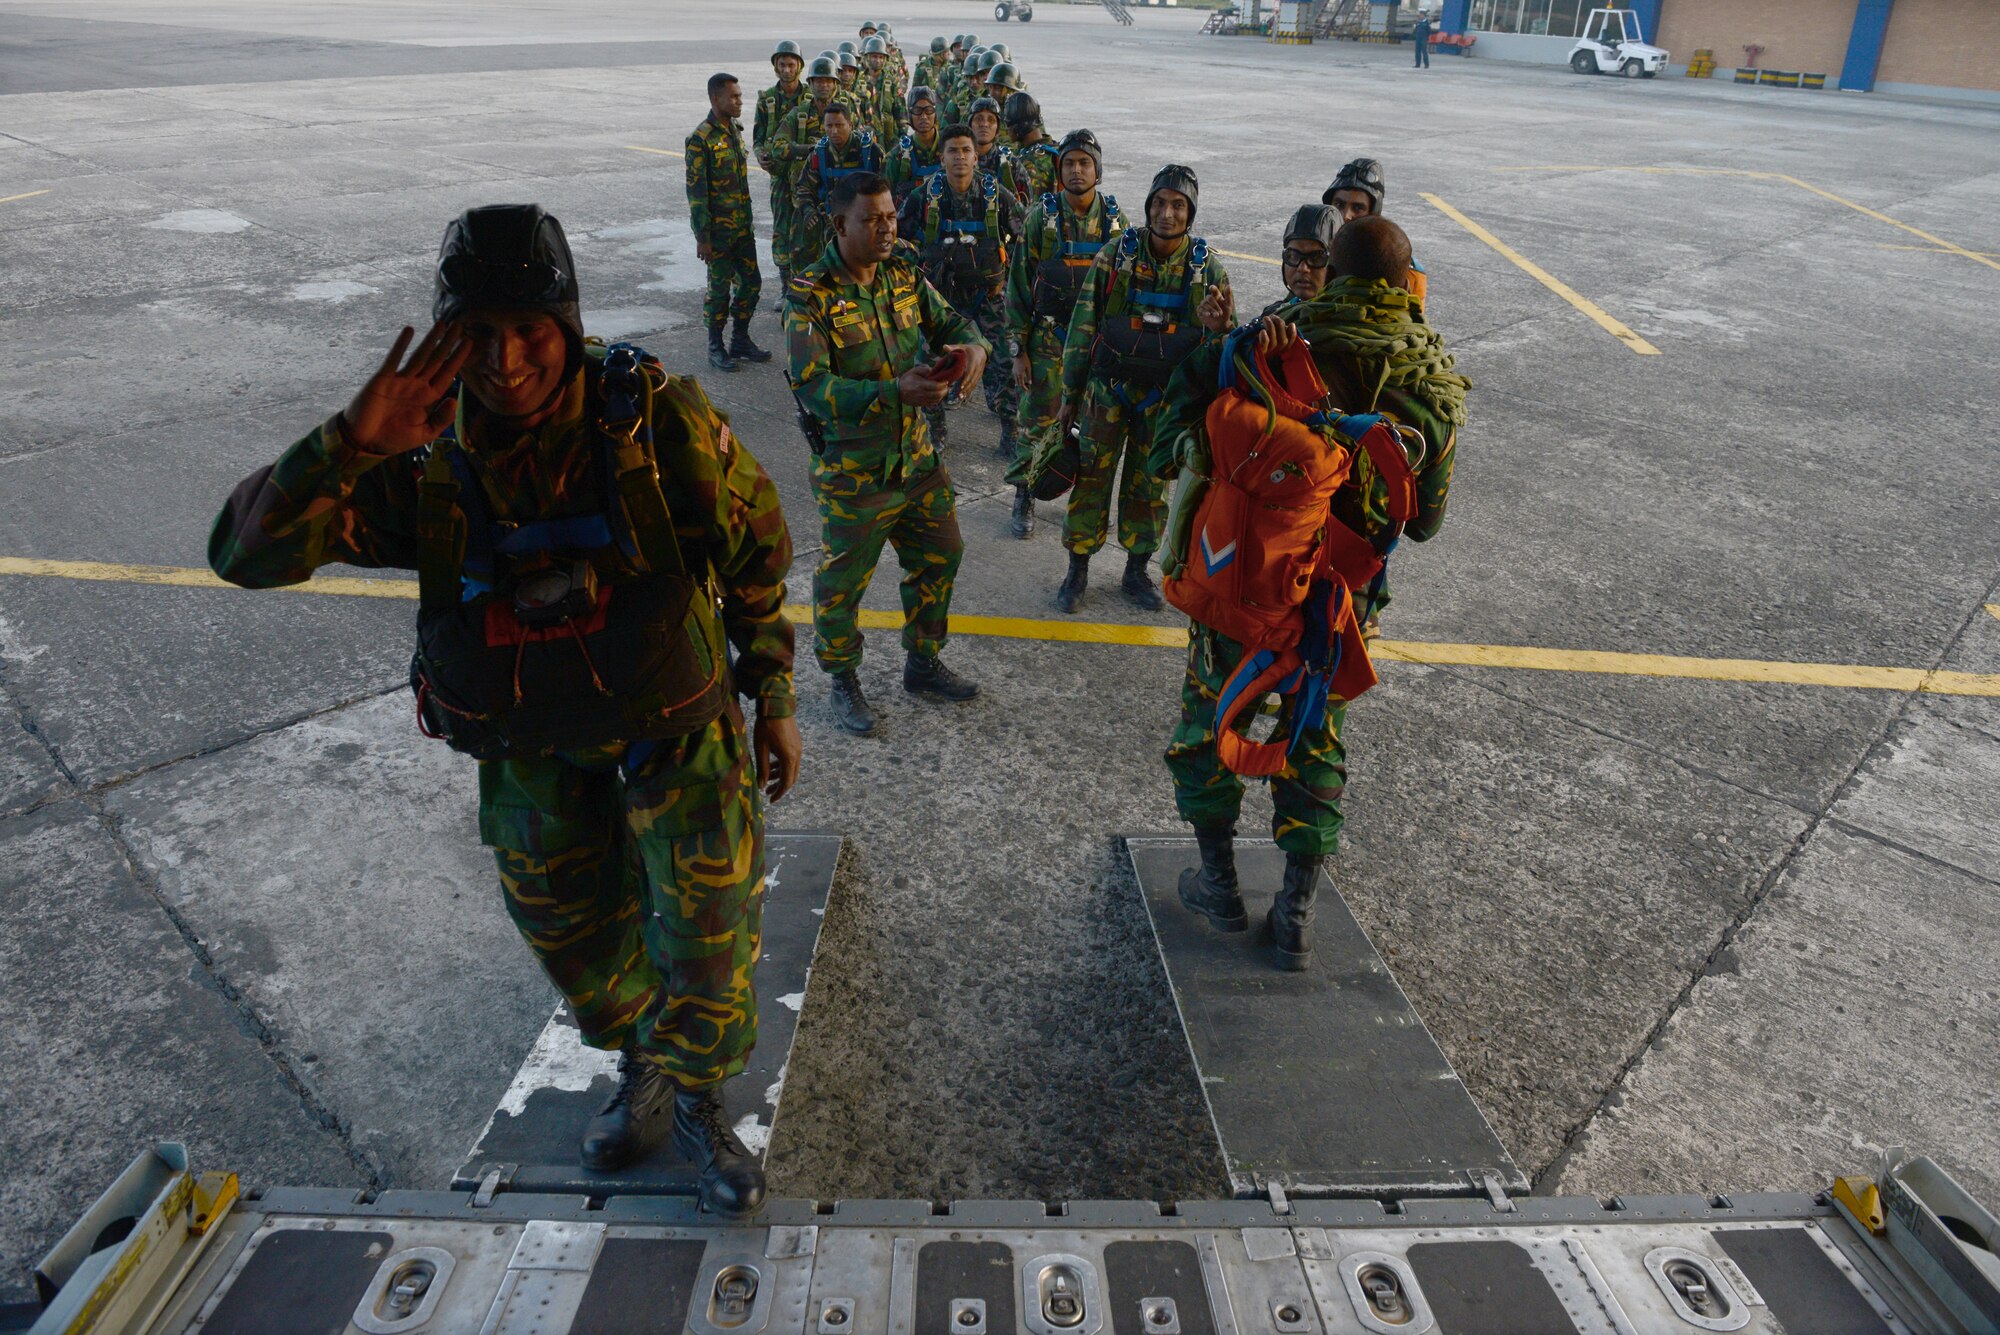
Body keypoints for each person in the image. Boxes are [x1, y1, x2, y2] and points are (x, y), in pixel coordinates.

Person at [209, 204, 800, 1214]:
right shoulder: (425, 454)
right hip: (533, 733)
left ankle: (700, 1098)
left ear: (566, 325)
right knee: (575, 943)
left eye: (530, 330)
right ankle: (642, 1059)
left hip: (673, 720)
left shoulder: (657, 423)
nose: (508, 361)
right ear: (447, 337)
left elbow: (756, 548)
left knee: (705, 933)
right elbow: (246, 556)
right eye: (478, 334)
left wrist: (772, 689)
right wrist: (350, 441)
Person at [1157, 213, 1467, 972]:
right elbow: (1423, 524)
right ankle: (1295, 911)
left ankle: (1220, 884)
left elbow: (1188, 418)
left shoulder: (1281, 335)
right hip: (1339, 600)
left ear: (1337, 270)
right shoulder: (1431, 372)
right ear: (1402, 283)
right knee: (1313, 732)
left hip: (1255, 581)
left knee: (1209, 715)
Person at [786, 171, 992, 737]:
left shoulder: (901, 271)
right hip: (856, 474)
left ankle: (922, 663)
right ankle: (842, 678)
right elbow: (813, 389)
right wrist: (890, 391)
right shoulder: (811, 297)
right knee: (841, 585)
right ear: (839, 224)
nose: (885, 228)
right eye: (872, 219)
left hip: (918, 462)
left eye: (891, 217)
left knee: (941, 555)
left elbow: (952, 320)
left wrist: (973, 346)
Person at [1054, 164, 1232, 613]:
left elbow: (1219, 349)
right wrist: (1069, 396)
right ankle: (1077, 570)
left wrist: (1220, 329)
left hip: (1163, 405)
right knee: (1091, 481)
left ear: (1190, 213)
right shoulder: (1117, 255)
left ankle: (1136, 570)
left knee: (1151, 488)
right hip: (1106, 394)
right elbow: (1084, 325)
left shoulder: (1207, 269)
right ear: (1148, 205)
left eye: (1177, 205)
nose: (1166, 213)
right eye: (1159, 202)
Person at [1004, 128, 1124, 539]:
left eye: (1084, 162)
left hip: (1094, 347)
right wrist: (1018, 349)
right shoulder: (1043, 217)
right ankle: (1024, 494)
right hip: (1048, 341)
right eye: (1069, 163)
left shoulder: (1115, 222)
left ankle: (1083, 505)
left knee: (1092, 430)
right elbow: (1019, 283)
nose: (1076, 170)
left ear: (1097, 170)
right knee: (1037, 421)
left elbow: (1124, 291)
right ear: (1060, 170)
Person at [898, 122, 1024, 456]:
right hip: (942, 301)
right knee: (932, 365)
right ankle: (935, 431)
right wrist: (918, 267)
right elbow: (897, 238)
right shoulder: (925, 196)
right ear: (942, 158)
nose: (960, 157)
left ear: (976, 157)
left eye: (966, 150)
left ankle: (1011, 431)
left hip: (989, 298)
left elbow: (1025, 236)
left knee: (1004, 367)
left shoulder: (994, 195)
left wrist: (1007, 272)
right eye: (952, 151)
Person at [686, 73, 769, 374]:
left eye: (740, 95)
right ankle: (715, 346)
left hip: (742, 228)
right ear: (715, 99)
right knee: (719, 290)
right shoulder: (701, 139)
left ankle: (740, 339)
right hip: (718, 233)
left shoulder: (733, 130)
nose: (740, 101)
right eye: (733, 97)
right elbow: (696, 193)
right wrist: (702, 236)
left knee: (751, 283)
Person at [771, 56, 844, 290]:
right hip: (805, 199)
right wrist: (808, 150)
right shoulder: (798, 116)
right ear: (810, 84)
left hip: (838, 200)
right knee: (802, 253)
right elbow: (778, 147)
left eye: (828, 81)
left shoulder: (846, 114)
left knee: (841, 253)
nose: (823, 85)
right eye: (818, 81)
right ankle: (796, 296)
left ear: (835, 84)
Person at [792, 101, 883, 269]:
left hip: (863, 216)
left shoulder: (869, 152)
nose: (834, 131)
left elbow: (885, 186)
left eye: (840, 125)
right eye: (829, 126)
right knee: (799, 225)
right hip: (829, 216)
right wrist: (808, 211)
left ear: (850, 124)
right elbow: (803, 188)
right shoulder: (819, 154)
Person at [1321, 158, 1427, 303]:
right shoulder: (1313, 252)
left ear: (1373, 214)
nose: (1346, 216)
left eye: (1358, 208)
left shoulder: (1400, 266)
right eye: (1339, 204)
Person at [753, 42, 808, 291]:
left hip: (805, 175)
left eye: (791, 64)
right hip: (778, 173)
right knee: (781, 228)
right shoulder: (766, 100)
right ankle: (786, 285)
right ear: (775, 67)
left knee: (806, 228)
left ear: (799, 66)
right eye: (782, 65)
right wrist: (760, 155)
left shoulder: (809, 98)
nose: (787, 70)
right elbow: (758, 137)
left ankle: (805, 282)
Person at [886, 86, 945, 207]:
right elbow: (884, 199)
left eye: (928, 110)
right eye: (917, 111)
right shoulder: (897, 157)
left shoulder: (949, 149)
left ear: (935, 113)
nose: (923, 117)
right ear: (910, 114)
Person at [1002, 93, 1057, 209]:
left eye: (1008, 124)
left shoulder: (1029, 164)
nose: (1006, 129)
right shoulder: (1055, 148)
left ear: (1019, 127)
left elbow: (1025, 211)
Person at [861, 35, 903, 142]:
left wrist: (903, 133)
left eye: (881, 57)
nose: (878, 60)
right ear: (867, 58)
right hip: (865, 134)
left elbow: (901, 110)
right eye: (874, 57)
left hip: (889, 136)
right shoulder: (859, 81)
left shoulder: (892, 81)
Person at [967, 96, 1012, 181]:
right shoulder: (960, 161)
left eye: (991, 120)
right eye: (979, 119)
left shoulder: (1010, 164)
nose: (984, 124)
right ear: (970, 125)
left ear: (997, 128)